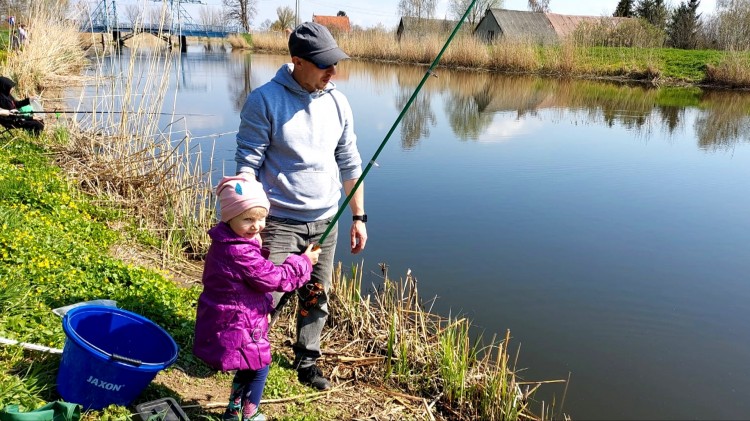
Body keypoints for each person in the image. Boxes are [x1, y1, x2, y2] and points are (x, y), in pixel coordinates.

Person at [234, 21, 367, 391]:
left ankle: (307, 360)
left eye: (335, 63)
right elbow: (247, 165)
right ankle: (247, 352)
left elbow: (350, 163)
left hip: (327, 221)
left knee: (316, 296)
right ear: (297, 61)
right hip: (278, 221)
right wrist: (246, 219)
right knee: (267, 295)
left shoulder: (339, 102)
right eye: (325, 64)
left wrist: (358, 216)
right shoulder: (264, 100)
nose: (333, 71)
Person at [193, 174, 322, 421]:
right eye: (248, 220)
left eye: (262, 218)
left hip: (235, 317)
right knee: (260, 365)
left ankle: (233, 410)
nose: (257, 225)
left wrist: (254, 241)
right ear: (229, 217)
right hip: (242, 321)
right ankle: (250, 412)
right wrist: (304, 262)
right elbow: (274, 279)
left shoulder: (226, 240)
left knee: (247, 363)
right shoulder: (240, 251)